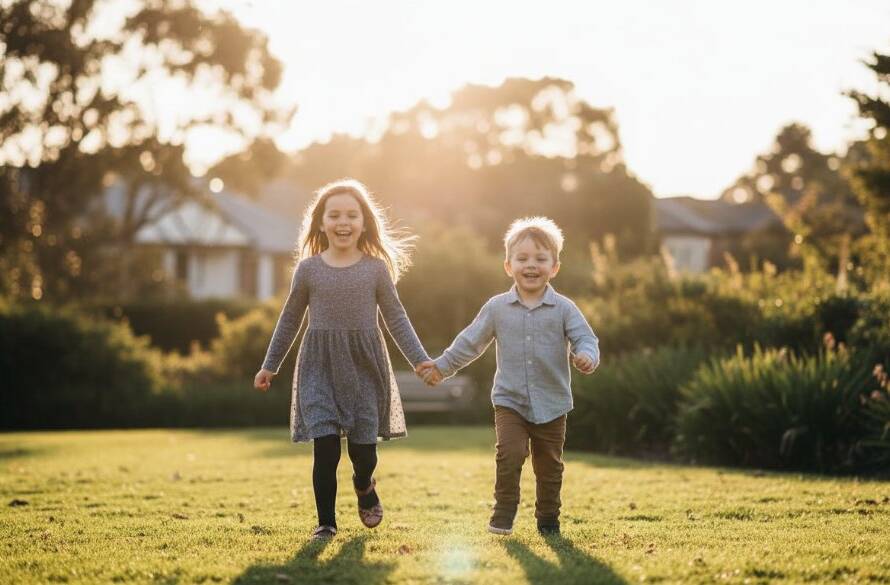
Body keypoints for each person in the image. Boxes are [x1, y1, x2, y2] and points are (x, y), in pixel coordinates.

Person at [254, 179, 430, 540]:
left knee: (363, 452)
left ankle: (364, 484)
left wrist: (420, 360)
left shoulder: (376, 269)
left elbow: (396, 317)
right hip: (319, 366)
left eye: (352, 214)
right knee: (326, 447)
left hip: (365, 367)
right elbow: (290, 318)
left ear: (364, 223)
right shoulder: (308, 270)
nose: (343, 222)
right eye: (334, 215)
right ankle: (326, 523)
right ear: (321, 223)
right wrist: (270, 364)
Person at [417, 216, 599, 536]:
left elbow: (586, 339)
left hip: (553, 402)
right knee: (510, 454)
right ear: (508, 265)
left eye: (541, 259)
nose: (531, 265)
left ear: (554, 267)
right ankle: (503, 514)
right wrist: (442, 367)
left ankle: (548, 519)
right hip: (510, 400)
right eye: (523, 258)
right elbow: (470, 342)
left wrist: (586, 357)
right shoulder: (497, 307)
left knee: (549, 466)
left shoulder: (564, 308)